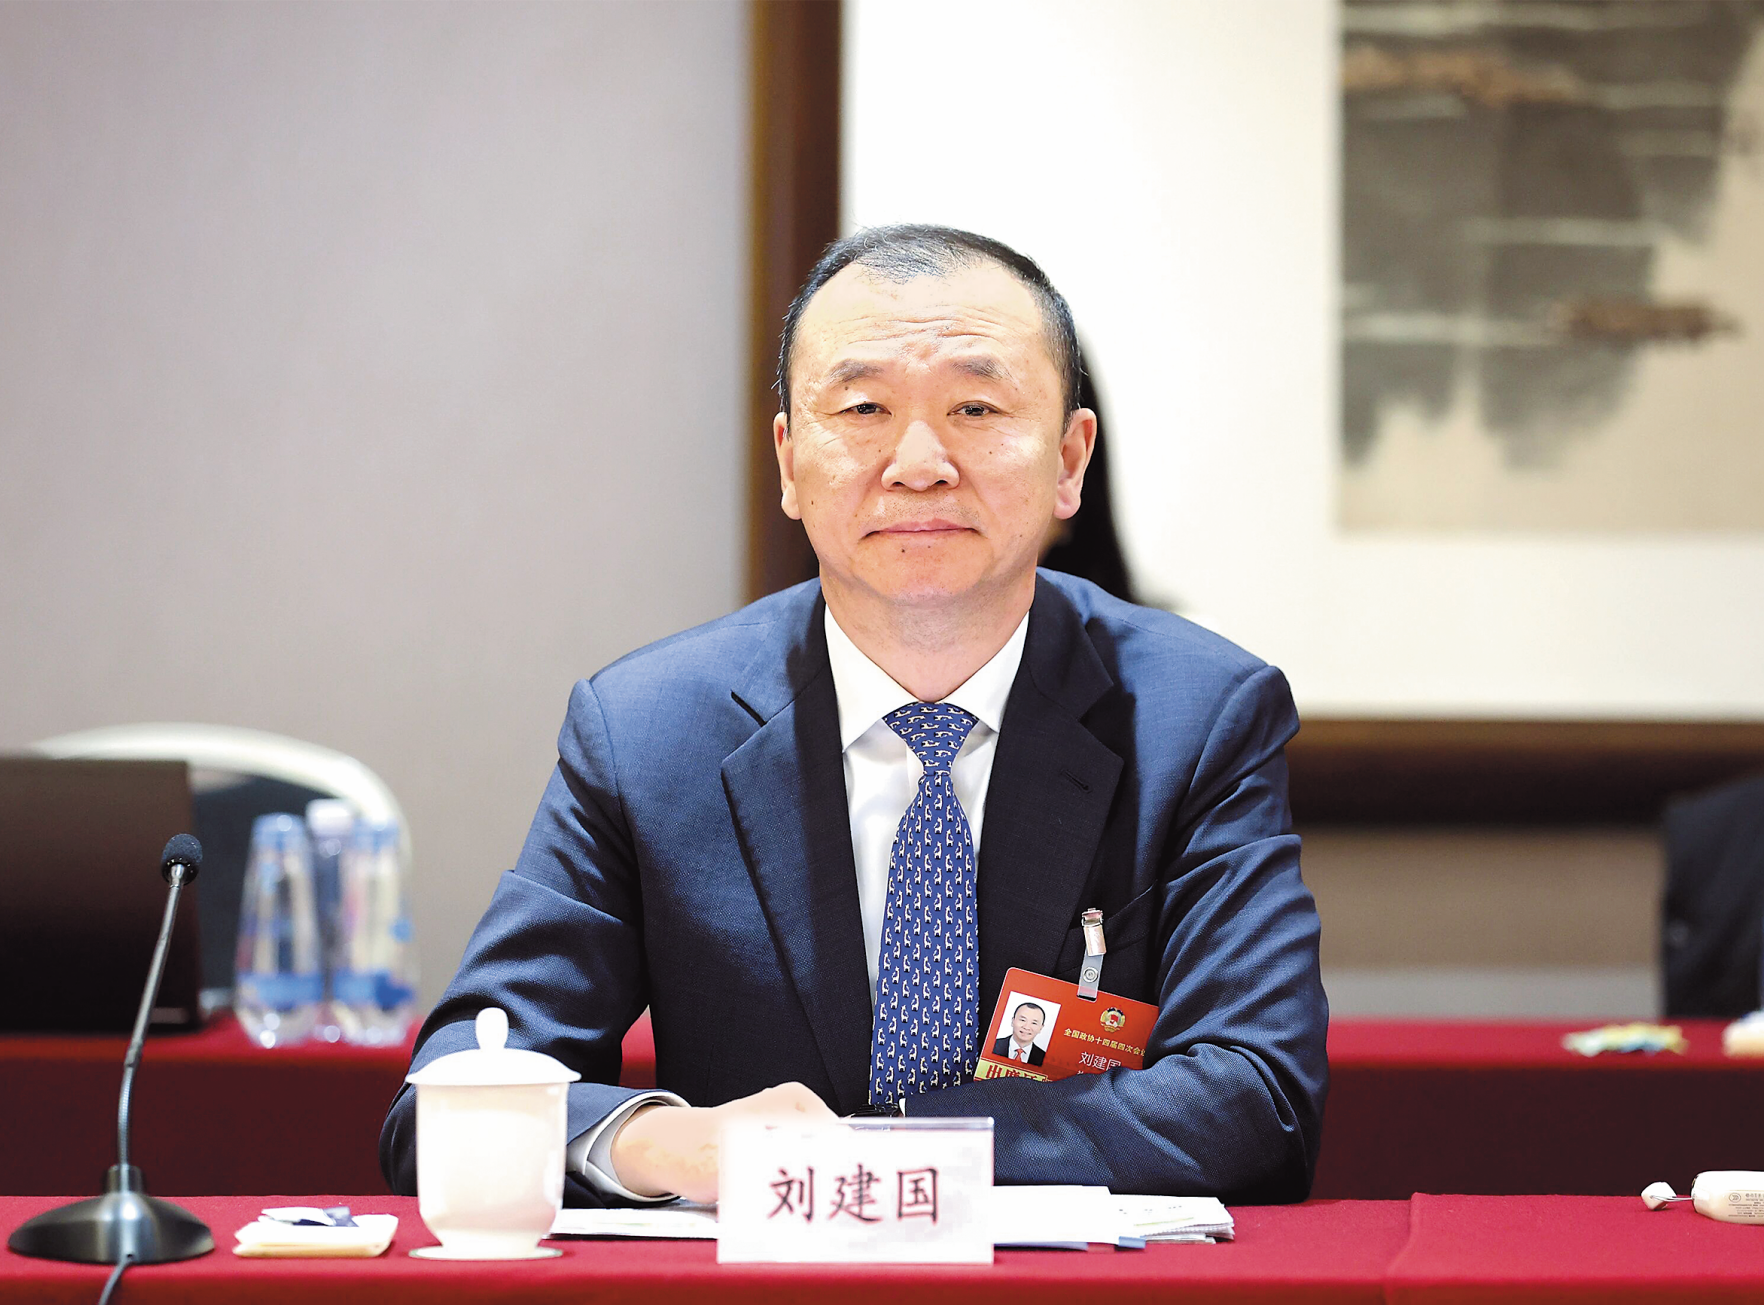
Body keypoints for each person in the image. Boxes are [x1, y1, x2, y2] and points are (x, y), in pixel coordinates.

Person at [380, 224, 1328, 1207]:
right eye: (864, 408)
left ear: (1069, 460)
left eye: (976, 407)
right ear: (790, 461)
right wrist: (669, 1144)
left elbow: (1259, 1099)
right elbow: (446, 1104)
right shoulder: (647, 730)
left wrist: (886, 1154)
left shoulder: (1197, 716)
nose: (919, 463)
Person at [993, 1001, 1047, 1066]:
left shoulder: (1044, 1058)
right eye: (1022, 1020)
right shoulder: (992, 1045)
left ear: (1041, 1028)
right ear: (1013, 1021)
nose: (1026, 1027)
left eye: (1034, 1023)